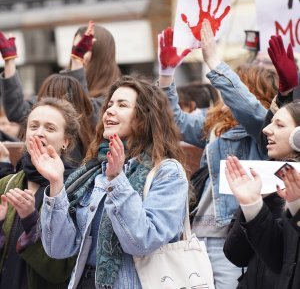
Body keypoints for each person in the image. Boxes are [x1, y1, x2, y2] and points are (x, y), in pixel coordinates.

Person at [31, 75, 189, 288]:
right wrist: (56, 184)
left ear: (144, 116)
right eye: (109, 104)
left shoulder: (167, 172)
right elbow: (58, 248)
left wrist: (117, 181)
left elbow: (142, 241)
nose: (109, 111)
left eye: (122, 105)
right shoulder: (94, 170)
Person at [157, 21, 278, 289]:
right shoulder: (215, 123)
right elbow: (172, 120)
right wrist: (166, 74)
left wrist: (214, 61)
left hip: (231, 236)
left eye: (235, 86)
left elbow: (248, 109)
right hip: (197, 234)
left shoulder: (264, 130)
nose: (225, 94)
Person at [0, 97, 80, 289]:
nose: (39, 133)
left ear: (66, 142)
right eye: (33, 126)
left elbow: (61, 270)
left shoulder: (76, 187)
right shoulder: (6, 183)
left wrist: (30, 220)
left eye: (50, 128)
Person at [224, 100, 300, 288]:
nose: (266, 129)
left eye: (279, 124)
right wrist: (251, 205)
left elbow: (286, 259)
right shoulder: (261, 180)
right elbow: (235, 255)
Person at [69, 20, 121, 98]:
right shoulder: (63, 87)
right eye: (75, 48)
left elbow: (81, 107)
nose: (76, 53)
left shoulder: (114, 98)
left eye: (84, 49)